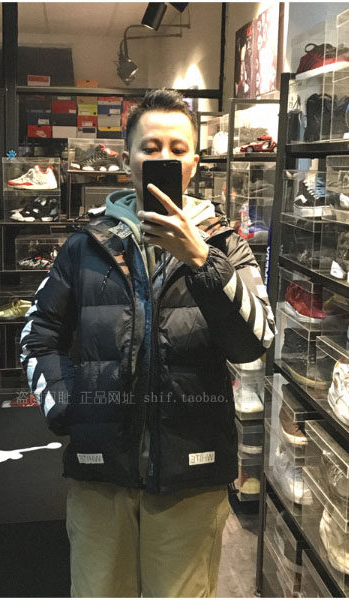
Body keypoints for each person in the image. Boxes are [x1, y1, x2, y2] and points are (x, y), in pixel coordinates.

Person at [20, 89, 275, 597]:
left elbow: (254, 345)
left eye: (178, 149)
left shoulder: (226, 246)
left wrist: (202, 262)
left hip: (190, 476)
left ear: (196, 162)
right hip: (99, 478)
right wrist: (69, 408)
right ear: (127, 158)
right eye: (150, 147)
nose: (164, 159)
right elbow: (37, 335)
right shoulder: (85, 246)